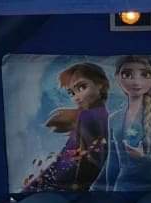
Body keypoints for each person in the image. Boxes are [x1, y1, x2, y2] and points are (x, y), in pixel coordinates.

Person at [23, 63, 109, 192]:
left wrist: (77, 187)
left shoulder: (88, 116)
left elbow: (90, 160)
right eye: (72, 93)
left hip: (64, 184)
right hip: (61, 179)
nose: (77, 97)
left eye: (82, 87)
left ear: (100, 84)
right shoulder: (102, 116)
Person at [92, 56, 151, 192]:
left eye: (144, 74)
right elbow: (112, 161)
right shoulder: (114, 118)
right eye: (127, 74)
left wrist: (143, 157)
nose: (136, 81)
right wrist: (104, 189)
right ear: (117, 77)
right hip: (121, 187)